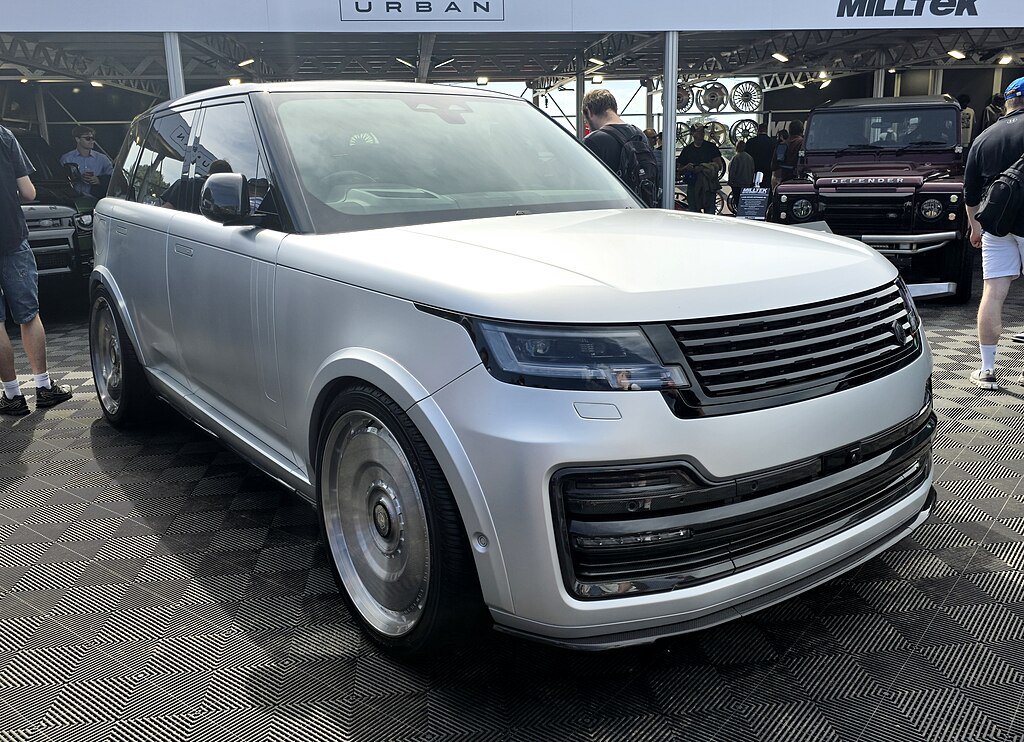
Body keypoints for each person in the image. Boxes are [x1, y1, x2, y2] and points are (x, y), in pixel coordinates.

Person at [0, 125, 73, 416]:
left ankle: (12, 396)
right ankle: (43, 388)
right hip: (12, 237)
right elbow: (29, 192)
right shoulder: (4, 136)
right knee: (29, 316)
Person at [963, 76, 1024, 390]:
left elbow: (970, 193)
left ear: (1007, 103)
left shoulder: (984, 137)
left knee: (993, 292)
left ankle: (987, 370)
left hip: (995, 227)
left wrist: (975, 227)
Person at [581, 89, 658, 204]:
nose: (586, 123)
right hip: (639, 207)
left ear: (589, 111)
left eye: (585, 119)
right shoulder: (639, 134)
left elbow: (585, 186)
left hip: (609, 211)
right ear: (614, 108)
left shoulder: (593, 141)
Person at [677, 123, 724, 213]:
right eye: (699, 132)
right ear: (692, 133)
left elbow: (719, 165)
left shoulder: (711, 147)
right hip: (693, 185)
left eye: (702, 131)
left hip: (708, 184)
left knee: (709, 212)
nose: (702, 134)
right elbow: (679, 170)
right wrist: (687, 167)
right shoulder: (687, 150)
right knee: (693, 212)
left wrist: (704, 168)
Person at [59, 125, 113, 199]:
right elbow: (61, 181)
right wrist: (78, 178)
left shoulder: (102, 158)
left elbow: (114, 178)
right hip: (73, 199)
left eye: (93, 138)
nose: (92, 141)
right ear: (77, 139)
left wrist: (99, 180)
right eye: (88, 138)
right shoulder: (66, 159)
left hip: (97, 198)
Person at [745, 122, 774, 187]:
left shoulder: (750, 142)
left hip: (754, 169)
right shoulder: (772, 142)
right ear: (766, 130)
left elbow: (746, 156)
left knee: (754, 188)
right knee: (766, 188)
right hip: (768, 169)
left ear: (758, 130)